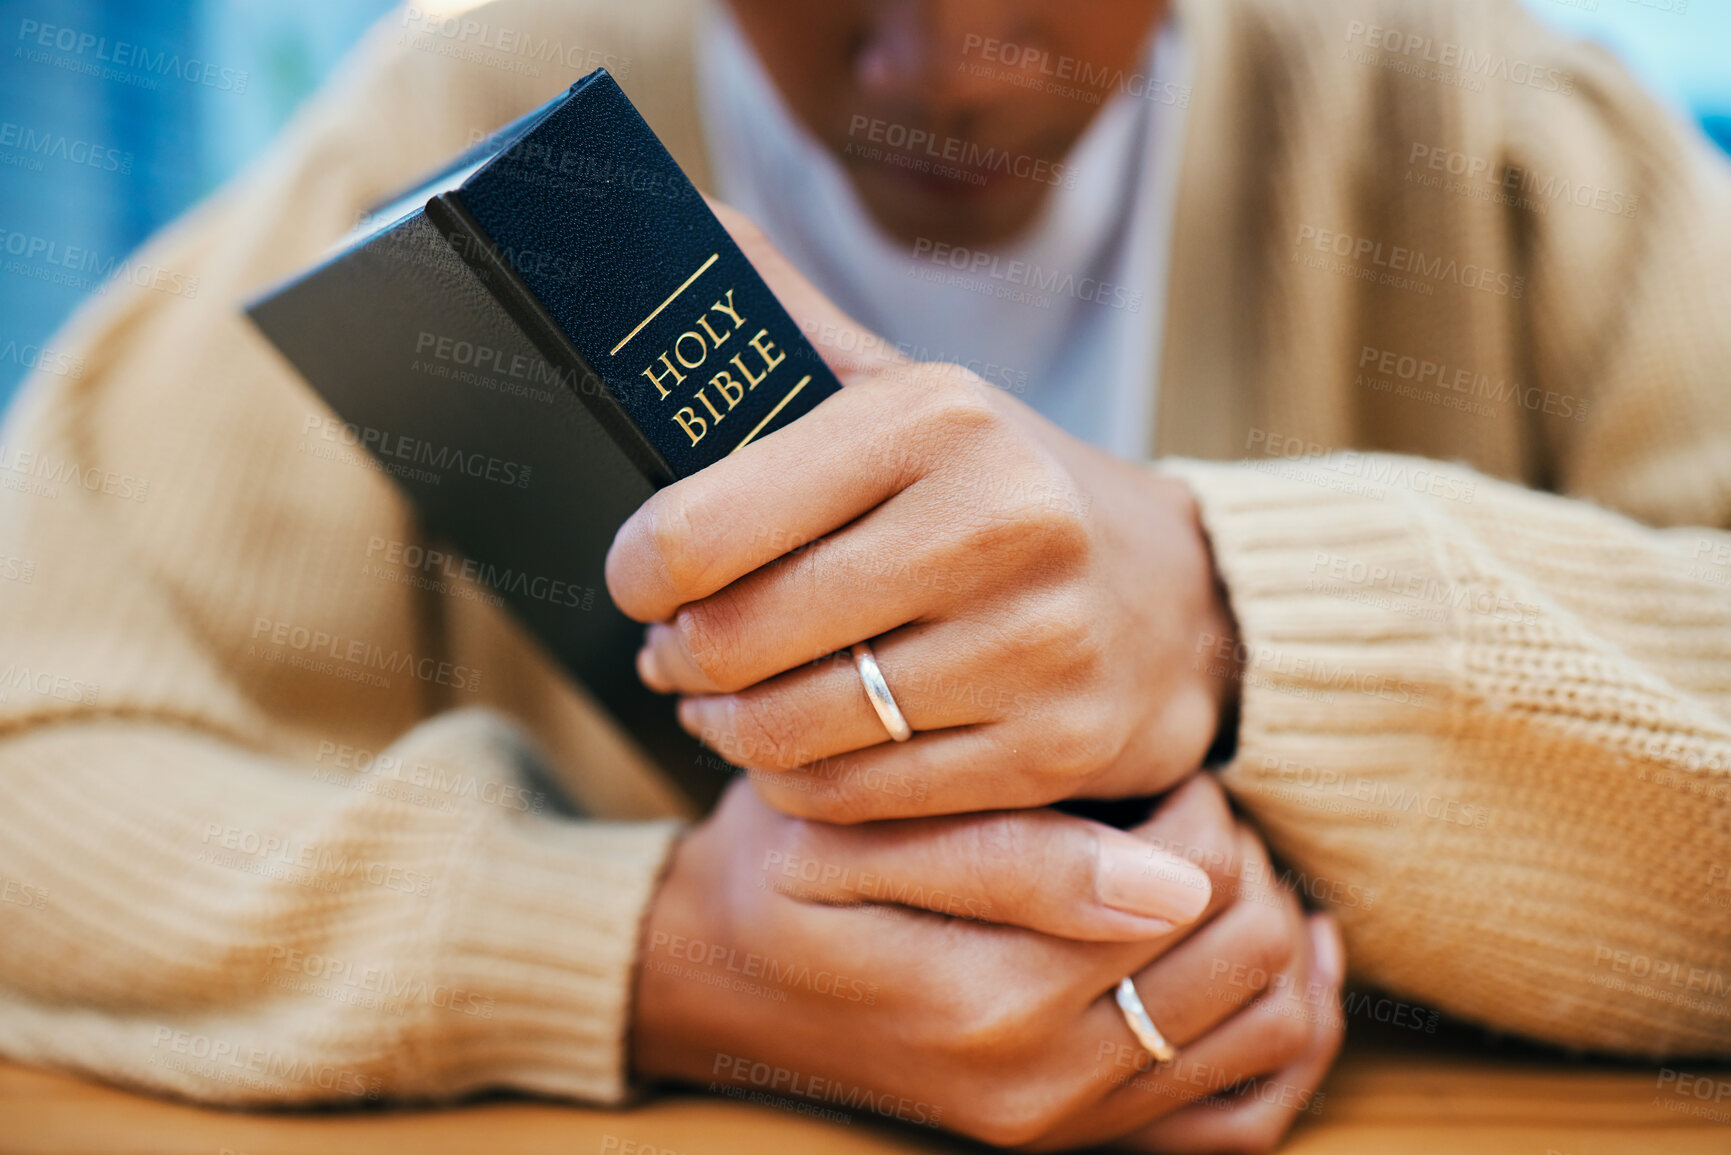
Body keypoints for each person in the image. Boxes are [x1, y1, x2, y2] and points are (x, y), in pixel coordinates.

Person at [0, 0, 1725, 1151]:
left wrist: (1226, 610)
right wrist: (661, 953)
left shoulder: (1485, 122)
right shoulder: (458, 109)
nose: (946, 66)